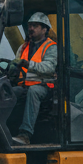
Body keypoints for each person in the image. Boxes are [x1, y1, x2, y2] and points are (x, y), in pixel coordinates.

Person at [11, 12, 57, 145]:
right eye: (29, 25)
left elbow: (49, 67)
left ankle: (25, 134)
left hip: (44, 87)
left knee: (34, 92)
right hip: (24, 86)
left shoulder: (51, 47)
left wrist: (28, 64)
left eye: (35, 26)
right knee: (9, 92)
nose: (30, 28)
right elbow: (15, 63)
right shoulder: (23, 47)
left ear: (45, 29)